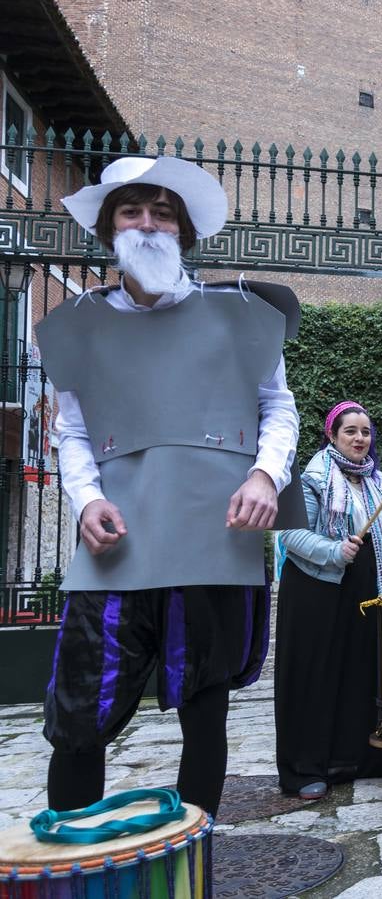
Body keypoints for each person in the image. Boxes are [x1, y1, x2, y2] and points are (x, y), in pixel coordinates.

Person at [38, 155, 301, 817]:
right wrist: (86, 499)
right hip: (117, 543)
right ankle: (73, 863)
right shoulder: (78, 328)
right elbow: (73, 431)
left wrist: (266, 475)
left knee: (205, 714)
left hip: (217, 536)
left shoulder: (243, 317)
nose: (149, 223)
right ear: (110, 230)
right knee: (77, 719)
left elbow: (280, 408)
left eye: (163, 211)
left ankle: (194, 866)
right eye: (132, 210)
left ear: (183, 230)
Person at [274, 401, 382, 799]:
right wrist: (333, 551)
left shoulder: (376, 481)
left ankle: (363, 759)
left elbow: (378, 539)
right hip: (315, 591)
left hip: (364, 590)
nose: (360, 439)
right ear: (332, 435)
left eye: (365, 432)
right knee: (317, 679)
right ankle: (307, 768)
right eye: (351, 431)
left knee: (363, 673)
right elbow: (291, 536)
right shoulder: (311, 479)